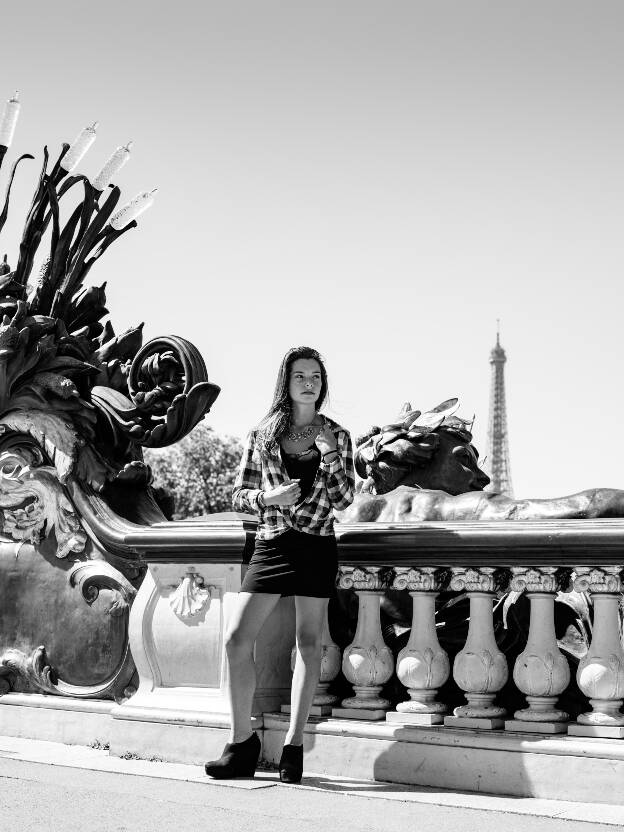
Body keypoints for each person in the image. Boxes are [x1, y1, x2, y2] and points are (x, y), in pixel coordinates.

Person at [204, 346, 354, 784]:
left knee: (308, 644)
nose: (309, 383)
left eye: (315, 376)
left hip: (317, 546)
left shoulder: (339, 436)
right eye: (300, 376)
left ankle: (293, 747)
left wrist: (328, 456)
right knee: (236, 640)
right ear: (285, 384)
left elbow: (345, 501)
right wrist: (268, 499)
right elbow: (237, 496)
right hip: (272, 545)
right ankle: (241, 743)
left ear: (322, 384)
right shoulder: (263, 435)